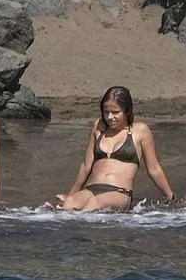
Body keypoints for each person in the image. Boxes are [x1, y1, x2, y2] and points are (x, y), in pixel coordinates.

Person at [53, 85, 176, 213]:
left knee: (93, 204)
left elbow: (154, 169)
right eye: (106, 112)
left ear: (127, 111)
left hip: (119, 192)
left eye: (115, 112)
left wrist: (171, 198)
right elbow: (85, 166)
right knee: (69, 204)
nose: (110, 117)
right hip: (92, 189)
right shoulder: (98, 127)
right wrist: (71, 195)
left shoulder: (140, 131)